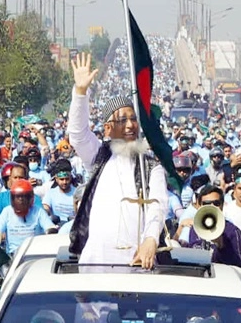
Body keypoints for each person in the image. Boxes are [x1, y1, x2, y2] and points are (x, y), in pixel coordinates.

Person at [67, 52, 169, 269]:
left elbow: (158, 205)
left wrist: (151, 239)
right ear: (108, 129)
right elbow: (77, 134)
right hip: (94, 268)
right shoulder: (98, 157)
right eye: (122, 120)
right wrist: (81, 92)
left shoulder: (150, 167)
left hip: (137, 266)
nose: (131, 125)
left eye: (133, 119)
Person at [180, 184, 241, 268]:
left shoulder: (233, 232)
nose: (212, 206)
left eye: (216, 203)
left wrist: (221, 247)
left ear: (222, 205)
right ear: (199, 206)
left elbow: (239, 266)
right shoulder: (195, 228)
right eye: (206, 203)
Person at [0, 179, 58, 255]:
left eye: (24, 197)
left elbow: (50, 229)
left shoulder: (38, 211)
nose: (21, 200)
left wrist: (51, 231)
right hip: (13, 256)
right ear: (12, 198)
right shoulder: (7, 212)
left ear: (31, 198)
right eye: (17, 197)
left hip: (35, 254)